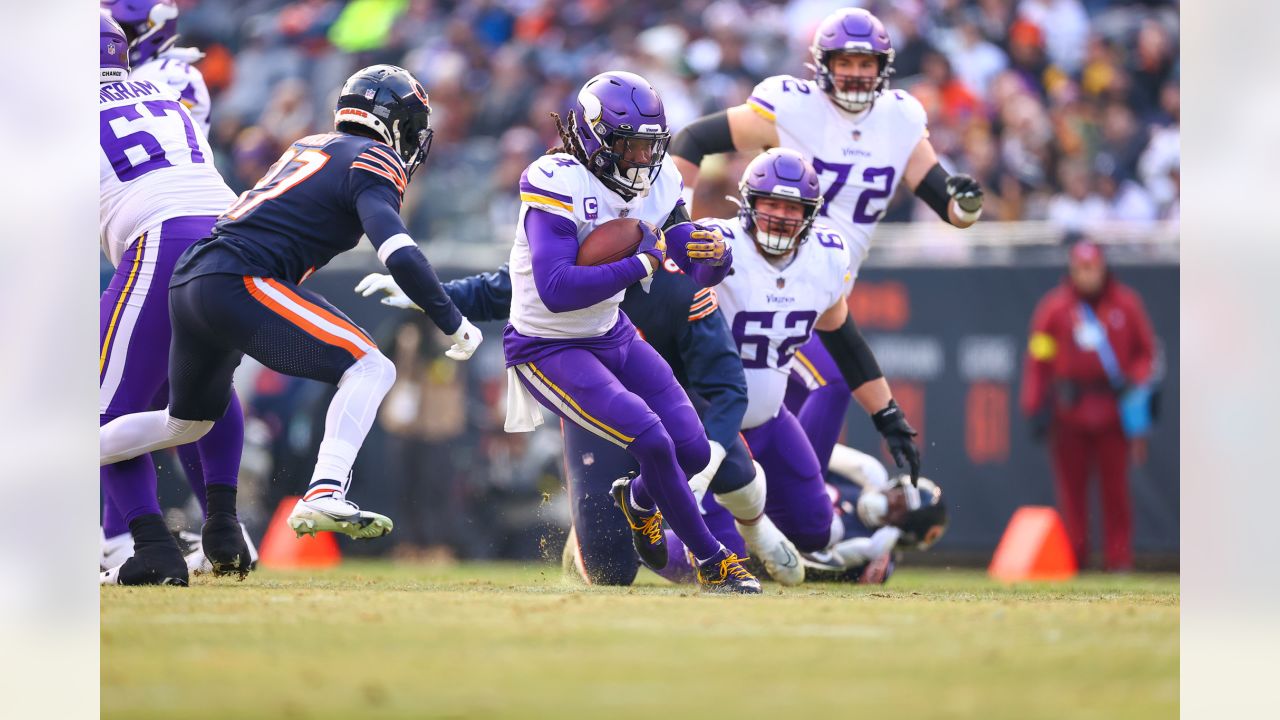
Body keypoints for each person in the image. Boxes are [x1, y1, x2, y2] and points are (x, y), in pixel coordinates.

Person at [359, 71, 761, 594]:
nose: (642, 160)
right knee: (651, 439)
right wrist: (641, 264)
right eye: (630, 146)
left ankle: (639, 502)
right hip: (545, 346)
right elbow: (556, 288)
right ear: (595, 138)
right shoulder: (555, 178)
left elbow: (684, 255)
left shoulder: (658, 181)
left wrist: (717, 257)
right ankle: (715, 562)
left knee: (694, 450)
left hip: (611, 333)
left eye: (649, 147)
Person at [99, 65, 481, 586]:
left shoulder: (311, 145)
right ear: (395, 125)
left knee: (182, 424)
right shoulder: (373, 159)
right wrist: (452, 319)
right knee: (371, 367)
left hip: (191, 278)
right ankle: (325, 491)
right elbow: (398, 249)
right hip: (237, 276)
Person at [670, 7, 984, 476]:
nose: (855, 74)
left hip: (825, 287)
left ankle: (762, 514)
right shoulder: (794, 107)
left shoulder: (899, 120)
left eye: (865, 64)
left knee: (776, 417)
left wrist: (968, 202)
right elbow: (694, 138)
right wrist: (676, 224)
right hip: (769, 274)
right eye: (845, 62)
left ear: (882, 69)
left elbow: (952, 210)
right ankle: (793, 500)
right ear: (823, 64)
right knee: (831, 382)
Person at [100, 0, 256, 577]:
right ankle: (225, 526)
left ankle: (148, 546)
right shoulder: (163, 97)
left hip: (160, 240)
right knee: (198, 389)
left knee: (95, 411)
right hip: (231, 234)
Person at [1019, 240, 1157, 571]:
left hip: (1113, 411)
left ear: (1103, 268)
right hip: (1070, 412)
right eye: (1080, 268)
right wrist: (1034, 405)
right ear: (1071, 270)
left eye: (1092, 267)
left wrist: (1134, 378)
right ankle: (1076, 558)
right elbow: (1039, 360)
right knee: (1072, 493)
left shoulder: (1126, 305)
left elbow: (1146, 353)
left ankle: (1119, 558)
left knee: (1116, 492)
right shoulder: (1055, 309)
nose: (1086, 275)